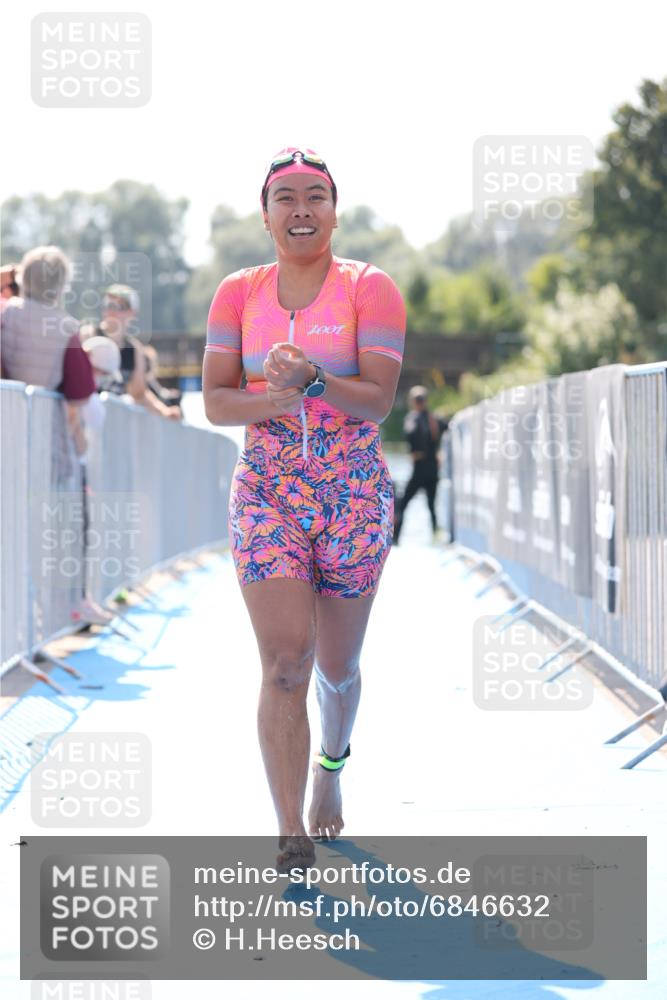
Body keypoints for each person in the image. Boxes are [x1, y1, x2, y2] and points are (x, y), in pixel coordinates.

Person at [202, 147, 406, 874]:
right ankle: (287, 831)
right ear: (264, 215)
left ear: (333, 211)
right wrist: (273, 400)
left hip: (350, 492)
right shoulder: (237, 292)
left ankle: (331, 762)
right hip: (266, 491)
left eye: (314, 196)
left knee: (335, 667)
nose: (300, 210)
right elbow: (217, 399)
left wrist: (316, 380)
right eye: (284, 198)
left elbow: (378, 399)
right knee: (285, 663)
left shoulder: (369, 287)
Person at [84, 284, 182, 420]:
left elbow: (140, 394)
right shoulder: (88, 335)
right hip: (85, 416)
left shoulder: (135, 350)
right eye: (109, 304)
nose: (112, 311)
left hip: (111, 422)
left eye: (120, 306)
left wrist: (165, 412)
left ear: (132, 312)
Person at [392, 385, 448, 544]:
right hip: (433, 468)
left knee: (403, 504)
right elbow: (448, 428)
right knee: (431, 505)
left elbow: (411, 433)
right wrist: (439, 452)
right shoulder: (435, 419)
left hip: (420, 468)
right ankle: (436, 537)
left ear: (413, 402)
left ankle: (396, 538)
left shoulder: (413, 418)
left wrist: (416, 450)